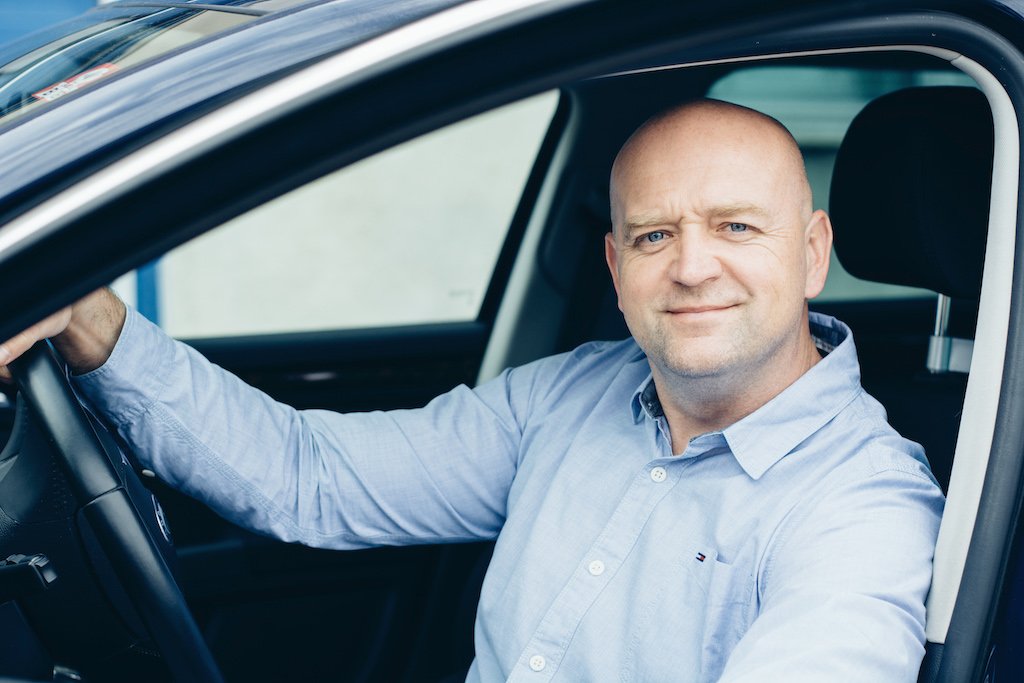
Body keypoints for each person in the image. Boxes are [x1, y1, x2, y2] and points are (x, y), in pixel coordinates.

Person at [0, 99, 944, 682]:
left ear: (812, 253)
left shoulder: (863, 508)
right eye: (655, 235)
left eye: (736, 227)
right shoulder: (569, 396)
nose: (693, 266)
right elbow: (308, 477)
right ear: (615, 269)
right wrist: (93, 320)